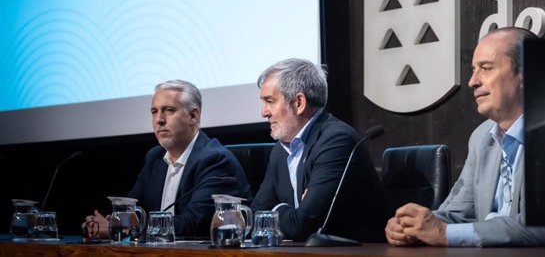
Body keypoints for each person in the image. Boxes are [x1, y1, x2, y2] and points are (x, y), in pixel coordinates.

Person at [385, 27, 545, 247]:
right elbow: (456, 212)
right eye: (473, 70)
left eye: (486, 68)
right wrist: (413, 227)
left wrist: (444, 233)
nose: (472, 81)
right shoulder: (481, 138)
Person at [82, 80, 252, 239]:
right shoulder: (155, 158)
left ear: (193, 116)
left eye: (169, 110)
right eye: (154, 112)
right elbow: (131, 210)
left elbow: (193, 223)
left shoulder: (215, 160)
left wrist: (118, 228)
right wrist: (110, 223)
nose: (159, 120)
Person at [251, 58, 386, 242]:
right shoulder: (281, 150)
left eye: (270, 101)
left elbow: (304, 225)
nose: (264, 112)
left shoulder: (336, 141)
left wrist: (276, 209)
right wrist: (289, 212)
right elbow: (254, 215)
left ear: (299, 103)